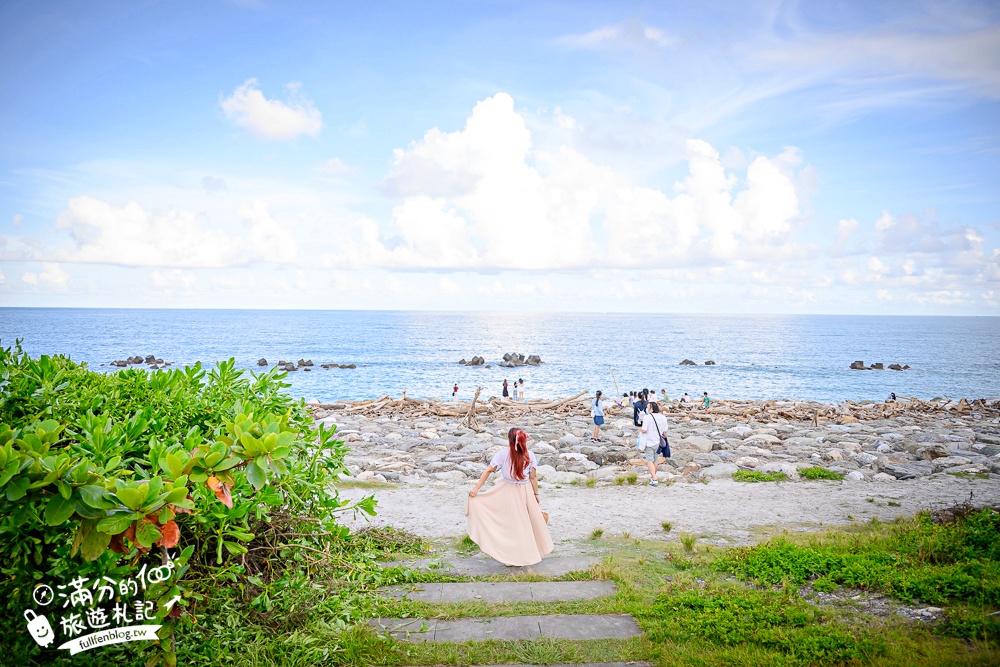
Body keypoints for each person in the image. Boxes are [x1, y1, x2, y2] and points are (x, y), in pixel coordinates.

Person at [466, 428, 553, 566]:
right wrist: (536, 494)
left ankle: (510, 557)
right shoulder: (529, 455)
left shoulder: (502, 454)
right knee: (525, 523)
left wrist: (476, 488)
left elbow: (489, 470)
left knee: (508, 523)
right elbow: (533, 477)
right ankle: (525, 554)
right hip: (525, 491)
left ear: (509, 440)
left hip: (506, 491)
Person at [639, 402, 668, 486]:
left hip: (649, 442)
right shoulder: (663, 417)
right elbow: (665, 431)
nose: (647, 409)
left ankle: (654, 479)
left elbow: (644, 430)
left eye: (648, 408)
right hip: (658, 442)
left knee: (649, 461)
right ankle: (653, 477)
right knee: (655, 460)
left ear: (651, 409)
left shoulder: (647, 417)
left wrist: (639, 428)